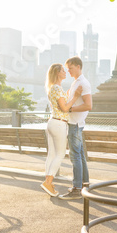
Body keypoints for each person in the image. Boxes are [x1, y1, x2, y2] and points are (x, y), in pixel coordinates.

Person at [41, 63, 82, 197]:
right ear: (57, 73)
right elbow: (64, 108)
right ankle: (48, 182)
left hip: (52, 122)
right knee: (60, 154)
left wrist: (70, 92)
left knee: (51, 154)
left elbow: (62, 99)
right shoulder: (57, 88)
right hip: (59, 124)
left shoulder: (54, 88)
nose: (65, 72)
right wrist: (75, 96)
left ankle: (48, 182)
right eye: (63, 71)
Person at [58, 56, 92, 200]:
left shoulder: (83, 83)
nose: (69, 71)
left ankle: (77, 188)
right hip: (76, 124)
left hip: (75, 124)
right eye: (67, 69)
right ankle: (84, 184)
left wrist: (70, 110)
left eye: (70, 68)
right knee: (80, 155)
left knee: (75, 156)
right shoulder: (75, 83)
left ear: (78, 66)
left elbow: (88, 105)